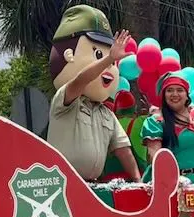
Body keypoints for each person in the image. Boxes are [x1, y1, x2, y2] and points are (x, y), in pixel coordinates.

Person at [46, 5, 141, 183]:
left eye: (113, 63)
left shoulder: (106, 114)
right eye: (98, 53)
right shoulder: (65, 99)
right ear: (68, 55)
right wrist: (109, 59)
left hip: (91, 186)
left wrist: (138, 180)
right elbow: (81, 80)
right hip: (62, 184)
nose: (109, 69)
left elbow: (122, 149)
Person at [140, 71, 194, 183]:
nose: (175, 94)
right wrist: (173, 181)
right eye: (169, 90)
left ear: (187, 96)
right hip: (168, 182)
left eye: (180, 90)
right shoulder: (155, 121)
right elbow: (156, 157)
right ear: (164, 95)